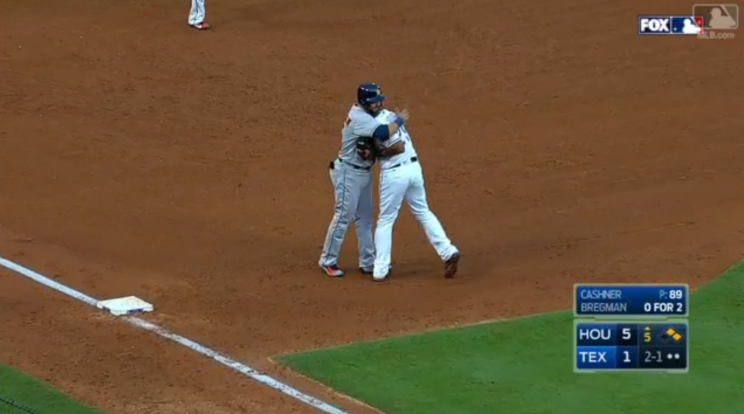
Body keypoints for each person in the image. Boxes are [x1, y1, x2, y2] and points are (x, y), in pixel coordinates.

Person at [318, 83, 406, 277]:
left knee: (365, 218)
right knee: (343, 216)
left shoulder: (366, 116)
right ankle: (327, 260)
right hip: (348, 173)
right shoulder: (360, 117)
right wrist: (399, 120)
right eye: (374, 102)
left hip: (363, 172)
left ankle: (367, 262)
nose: (379, 104)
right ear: (365, 102)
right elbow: (383, 133)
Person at [371, 107, 460, 282]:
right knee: (423, 211)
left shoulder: (377, 124)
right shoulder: (389, 114)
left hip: (395, 173)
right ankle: (448, 251)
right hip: (414, 169)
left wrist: (374, 151)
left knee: (386, 219)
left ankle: (380, 269)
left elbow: (397, 147)